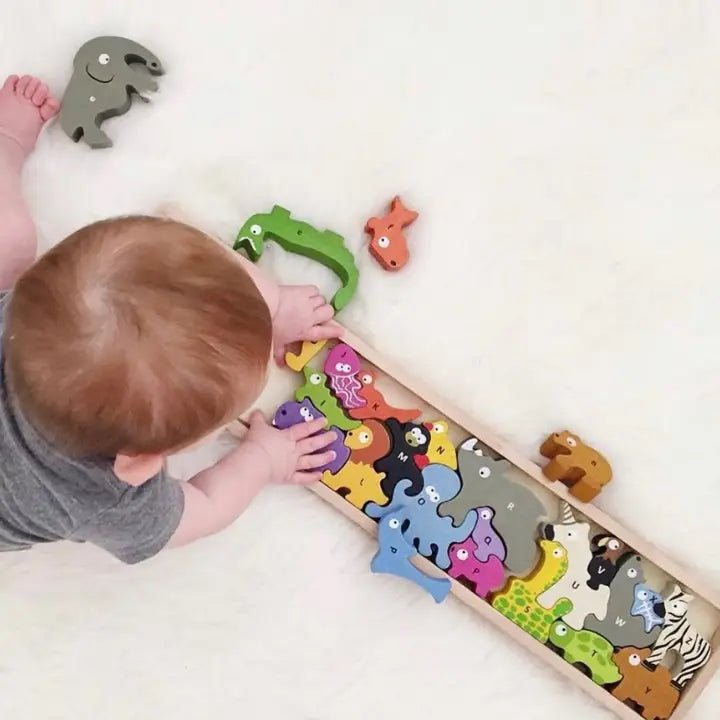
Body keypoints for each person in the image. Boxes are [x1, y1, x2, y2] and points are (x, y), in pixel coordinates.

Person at [0, 74, 339, 564]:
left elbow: (185, 257)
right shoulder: (111, 499)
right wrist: (265, 458)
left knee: (9, 236)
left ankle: (6, 142)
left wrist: (274, 306)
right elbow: (204, 507)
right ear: (140, 462)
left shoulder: (30, 313)